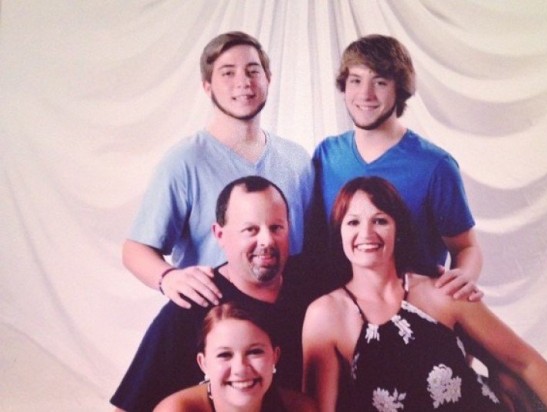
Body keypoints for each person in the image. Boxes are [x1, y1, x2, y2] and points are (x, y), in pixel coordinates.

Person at [302, 176, 547, 412]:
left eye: (380, 220)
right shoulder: (326, 315)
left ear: (397, 230)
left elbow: (525, 362)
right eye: (353, 222)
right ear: (338, 232)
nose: (366, 233)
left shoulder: (442, 290)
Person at [122, 31, 313, 310]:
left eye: (252, 70)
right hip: (217, 325)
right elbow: (135, 250)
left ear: (268, 79)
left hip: (287, 318)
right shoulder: (184, 162)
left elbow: (310, 249)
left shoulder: (296, 160)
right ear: (207, 86)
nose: (243, 82)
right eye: (227, 73)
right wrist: (168, 278)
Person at [111, 176, 313, 411]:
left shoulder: (310, 287)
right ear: (220, 235)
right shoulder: (193, 305)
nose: (266, 240)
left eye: (276, 227)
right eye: (250, 230)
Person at [309, 34, 481, 299]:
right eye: (355, 80)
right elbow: (314, 241)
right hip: (342, 312)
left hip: (413, 311)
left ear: (399, 88)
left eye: (379, 82)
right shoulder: (327, 154)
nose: (365, 94)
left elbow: (466, 248)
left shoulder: (435, 166)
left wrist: (461, 280)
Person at [154, 301, 317, 412]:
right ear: (203, 363)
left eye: (255, 352)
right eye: (224, 355)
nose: (240, 368)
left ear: (275, 356)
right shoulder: (176, 410)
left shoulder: (299, 408)